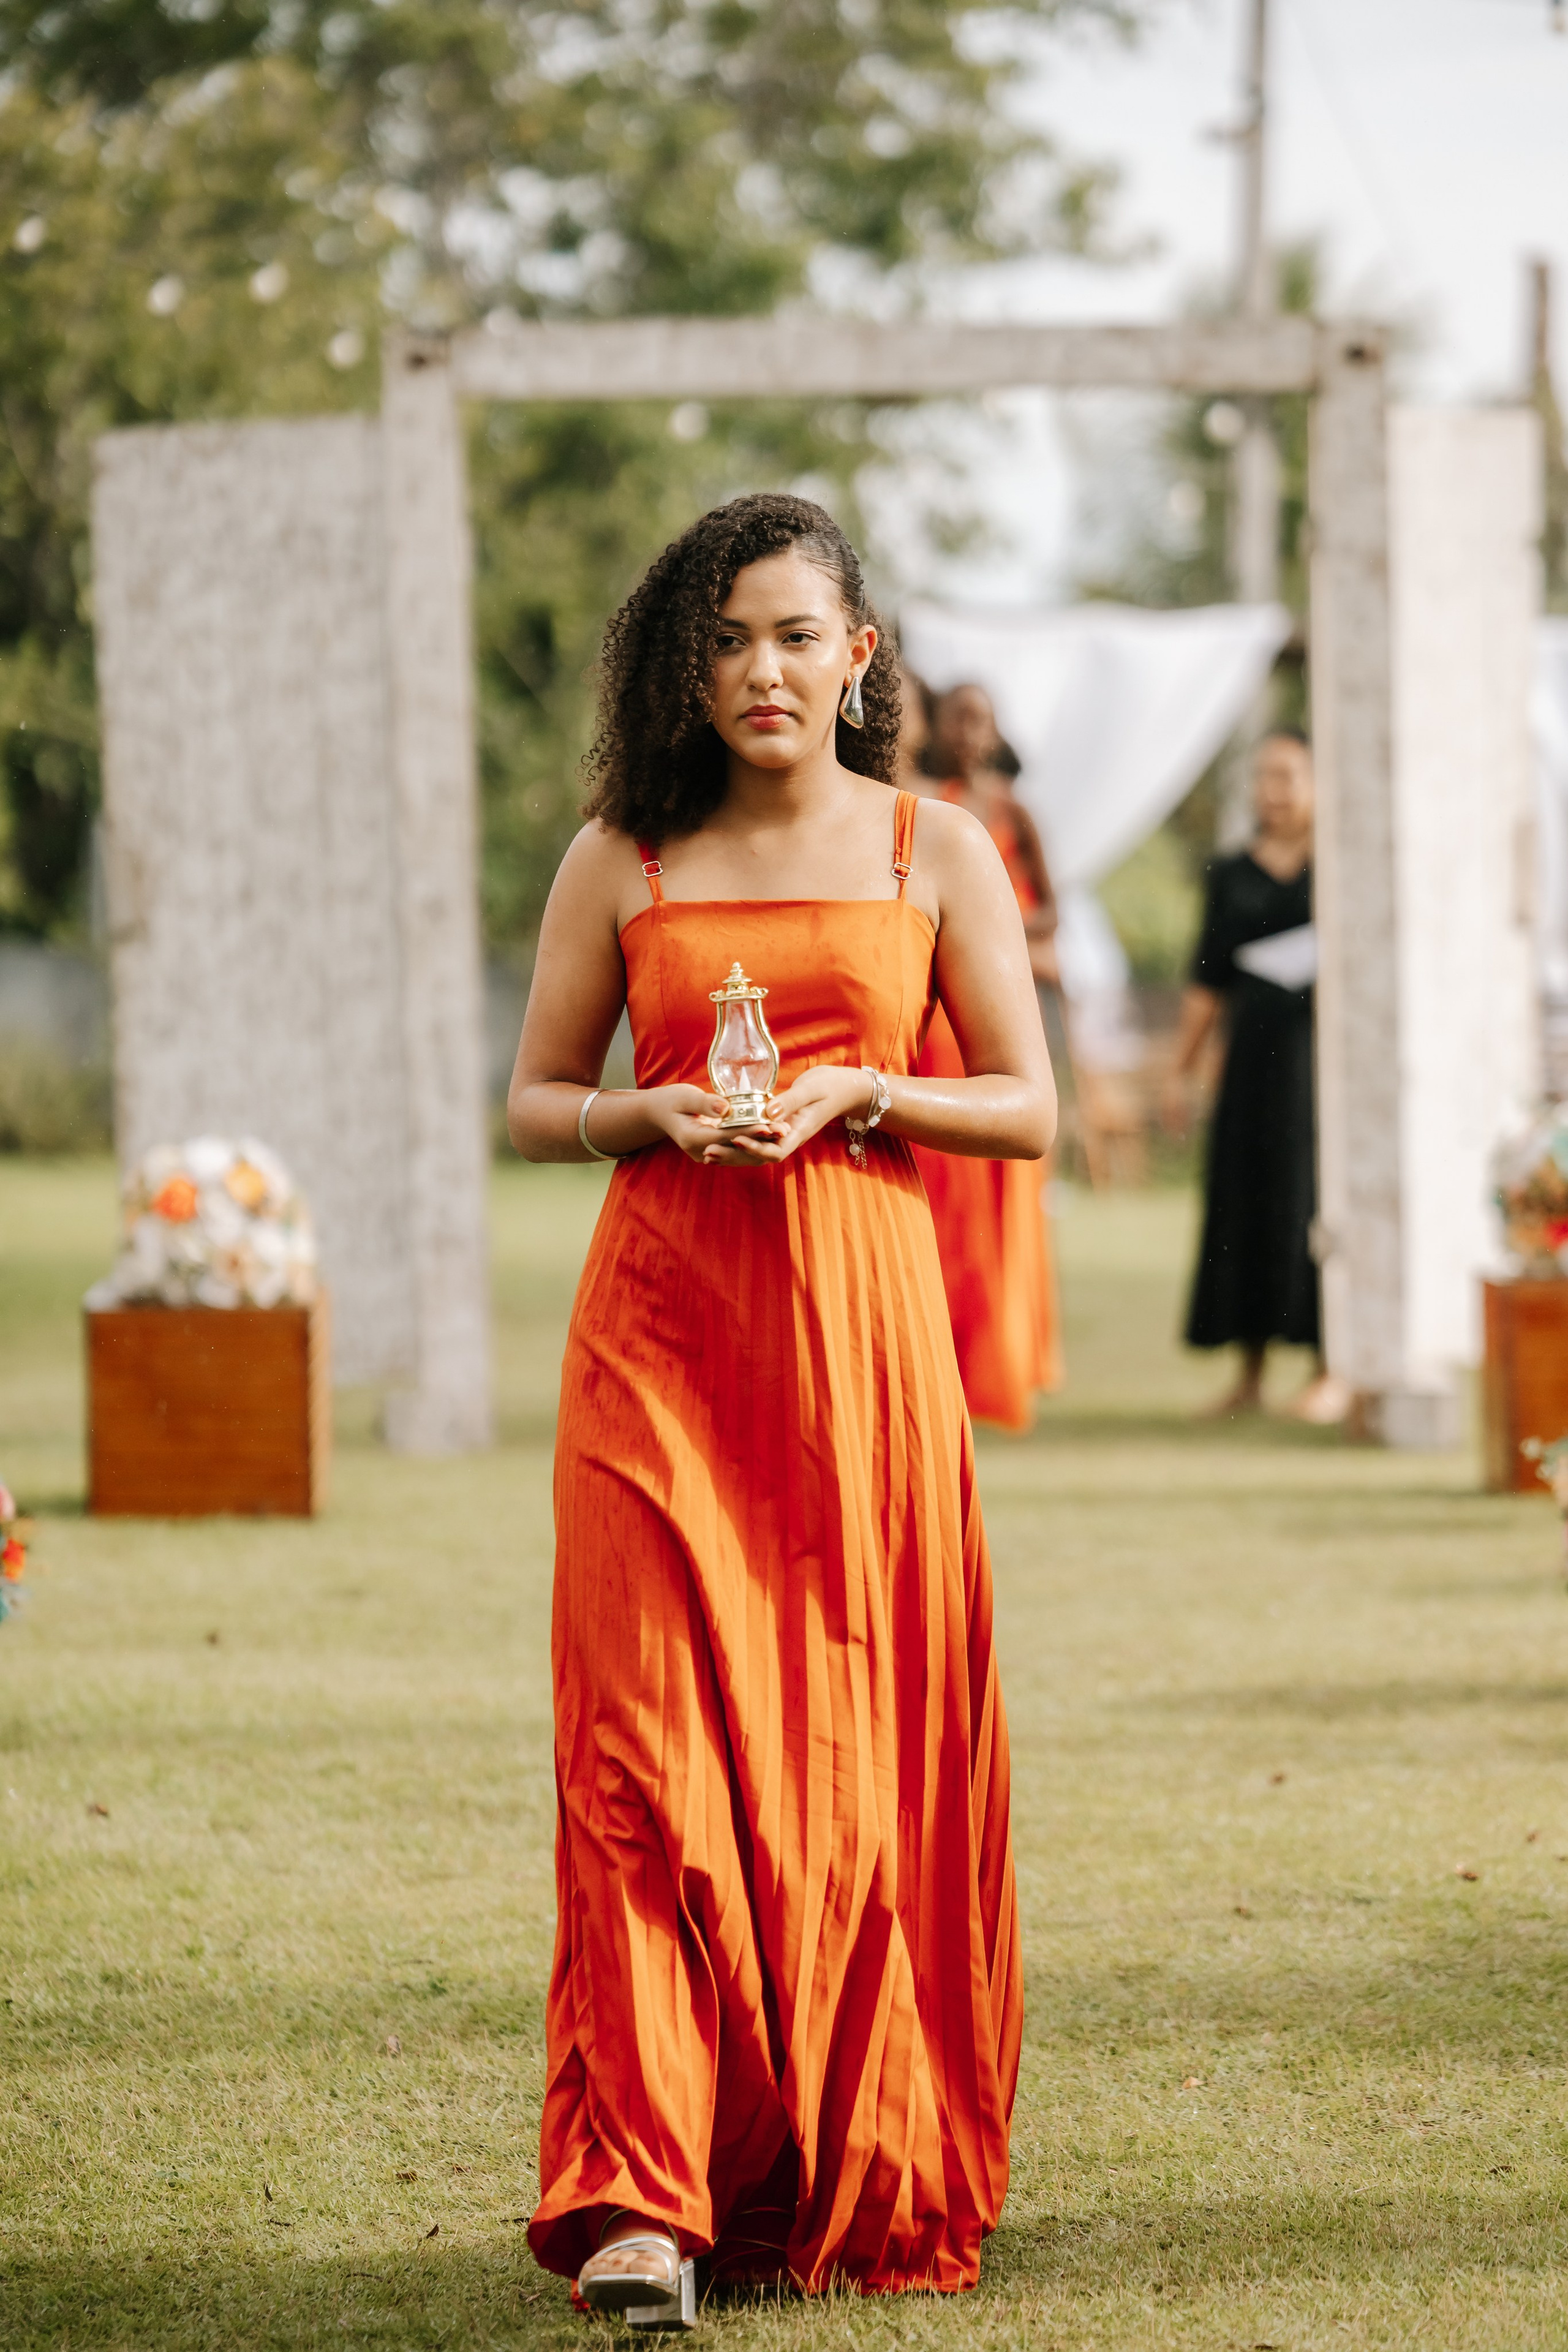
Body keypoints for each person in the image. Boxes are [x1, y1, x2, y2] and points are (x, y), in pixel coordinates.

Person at [508, 495, 1055, 2320]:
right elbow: (530, 1094)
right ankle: (642, 2199)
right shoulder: (624, 852)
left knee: (853, 1753)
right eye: (727, 638)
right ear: (688, 660)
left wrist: (866, 1091)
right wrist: (641, 1113)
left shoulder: (933, 846)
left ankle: (839, 2154)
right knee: (642, 1762)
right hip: (661, 1336)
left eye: (795, 635)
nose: (760, 669)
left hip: (861, 1348)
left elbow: (1030, 1102)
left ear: (857, 655)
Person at [1167, 727, 1344, 1422]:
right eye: (1263, 777)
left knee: (1313, 1202)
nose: (1272, 792)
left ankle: (1331, 1367)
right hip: (1249, 1068)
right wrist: (1181, 1074)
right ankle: (1248, 1372)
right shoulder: (1230, 874)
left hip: (1320, 1068)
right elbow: (1205, 984)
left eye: (1287, 776)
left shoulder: (1339, 870)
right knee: (1244, 1205)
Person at [908, 679, 1063, 1427]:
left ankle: (996, 1365)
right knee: (944, 1203)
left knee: (1000, 1202)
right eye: (958, 718)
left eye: (983, 720)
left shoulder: (1011, 814)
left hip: (1000, 1014)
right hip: (937, 1030)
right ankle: (934, 1361)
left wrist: (997, 941)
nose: (970, 732)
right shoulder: (923, 808)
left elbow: (1051, 911)